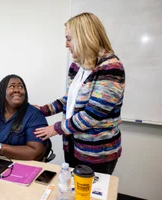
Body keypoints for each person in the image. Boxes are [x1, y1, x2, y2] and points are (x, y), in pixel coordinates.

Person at [34, 13, 125, 174]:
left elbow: (92, 115)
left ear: (84, 37)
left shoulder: (111, 68)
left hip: (97, 153)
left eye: (69, 39)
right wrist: (43, 110)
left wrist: (55, 128)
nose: (66, 45)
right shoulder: (77, 66)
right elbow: (70, 100)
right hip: (72, 143)